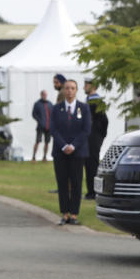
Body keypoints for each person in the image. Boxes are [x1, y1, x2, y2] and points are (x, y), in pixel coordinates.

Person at [50, 80, 91, 225]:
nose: (69, 91)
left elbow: (86, 130)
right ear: (63, 90)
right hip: (60, 152)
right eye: (67, 88)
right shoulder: (56, 108)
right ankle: (65, 213)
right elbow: (53, 129)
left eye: (73, 88)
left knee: (76, 183)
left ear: (76, 90)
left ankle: (74, 214)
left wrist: (73, 146)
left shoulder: (84, 108)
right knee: (62, 183)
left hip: (77, 152)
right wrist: (63, 146)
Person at [83, 78, 108, 200]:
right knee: (88, 165)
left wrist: (100, 136)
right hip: (89, 137)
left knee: (92, 165)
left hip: (93, 137)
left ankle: (93, 192)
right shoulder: (88, 101)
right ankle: (90, 190)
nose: (84, 87)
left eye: (86, 85)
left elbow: (104, 121)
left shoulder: (96, 102)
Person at [31, 90, 52, 161]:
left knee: (47, 142)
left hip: (48, 126)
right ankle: (33, 157)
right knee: (38, 141)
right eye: (44, 95)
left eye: (46, 95)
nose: (45, 96)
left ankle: (44, 157)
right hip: (40, 126)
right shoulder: (37, 104)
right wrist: (40, 121)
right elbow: (34, 114)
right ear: (41, 95)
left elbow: (52, 114)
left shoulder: (50, 104)